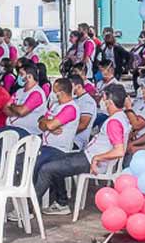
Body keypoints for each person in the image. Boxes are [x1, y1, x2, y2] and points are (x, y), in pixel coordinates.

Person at [32, 83, 131, 216]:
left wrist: (97, 158)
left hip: (90, 160)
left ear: (109, 101)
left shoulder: (114, 122)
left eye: (104, 98)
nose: (102, 101)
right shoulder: (122, 117)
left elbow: (119, 151)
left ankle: (29, 209)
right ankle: (62, 202)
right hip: (88, 156)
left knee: (46, 169)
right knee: (56, 159)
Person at [35, 78, 82, 215]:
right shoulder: (56, 105)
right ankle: (61, 201)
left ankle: (30, 205)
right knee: (28, 158)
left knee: (35, 164)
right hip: (46, 145)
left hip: (58, 148)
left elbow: (48, 125)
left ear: (61, 92)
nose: (52, 93)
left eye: (54, 91)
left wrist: (48, 125)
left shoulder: (71, 108)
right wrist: (48, 124)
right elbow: (41, 122)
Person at [70, 74, 97, 151]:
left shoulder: (87, 102)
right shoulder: (75, 99)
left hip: (77, 141)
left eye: (70, 86)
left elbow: (83, 125)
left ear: (78, 86)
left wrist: (67, 132)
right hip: (70, 137)